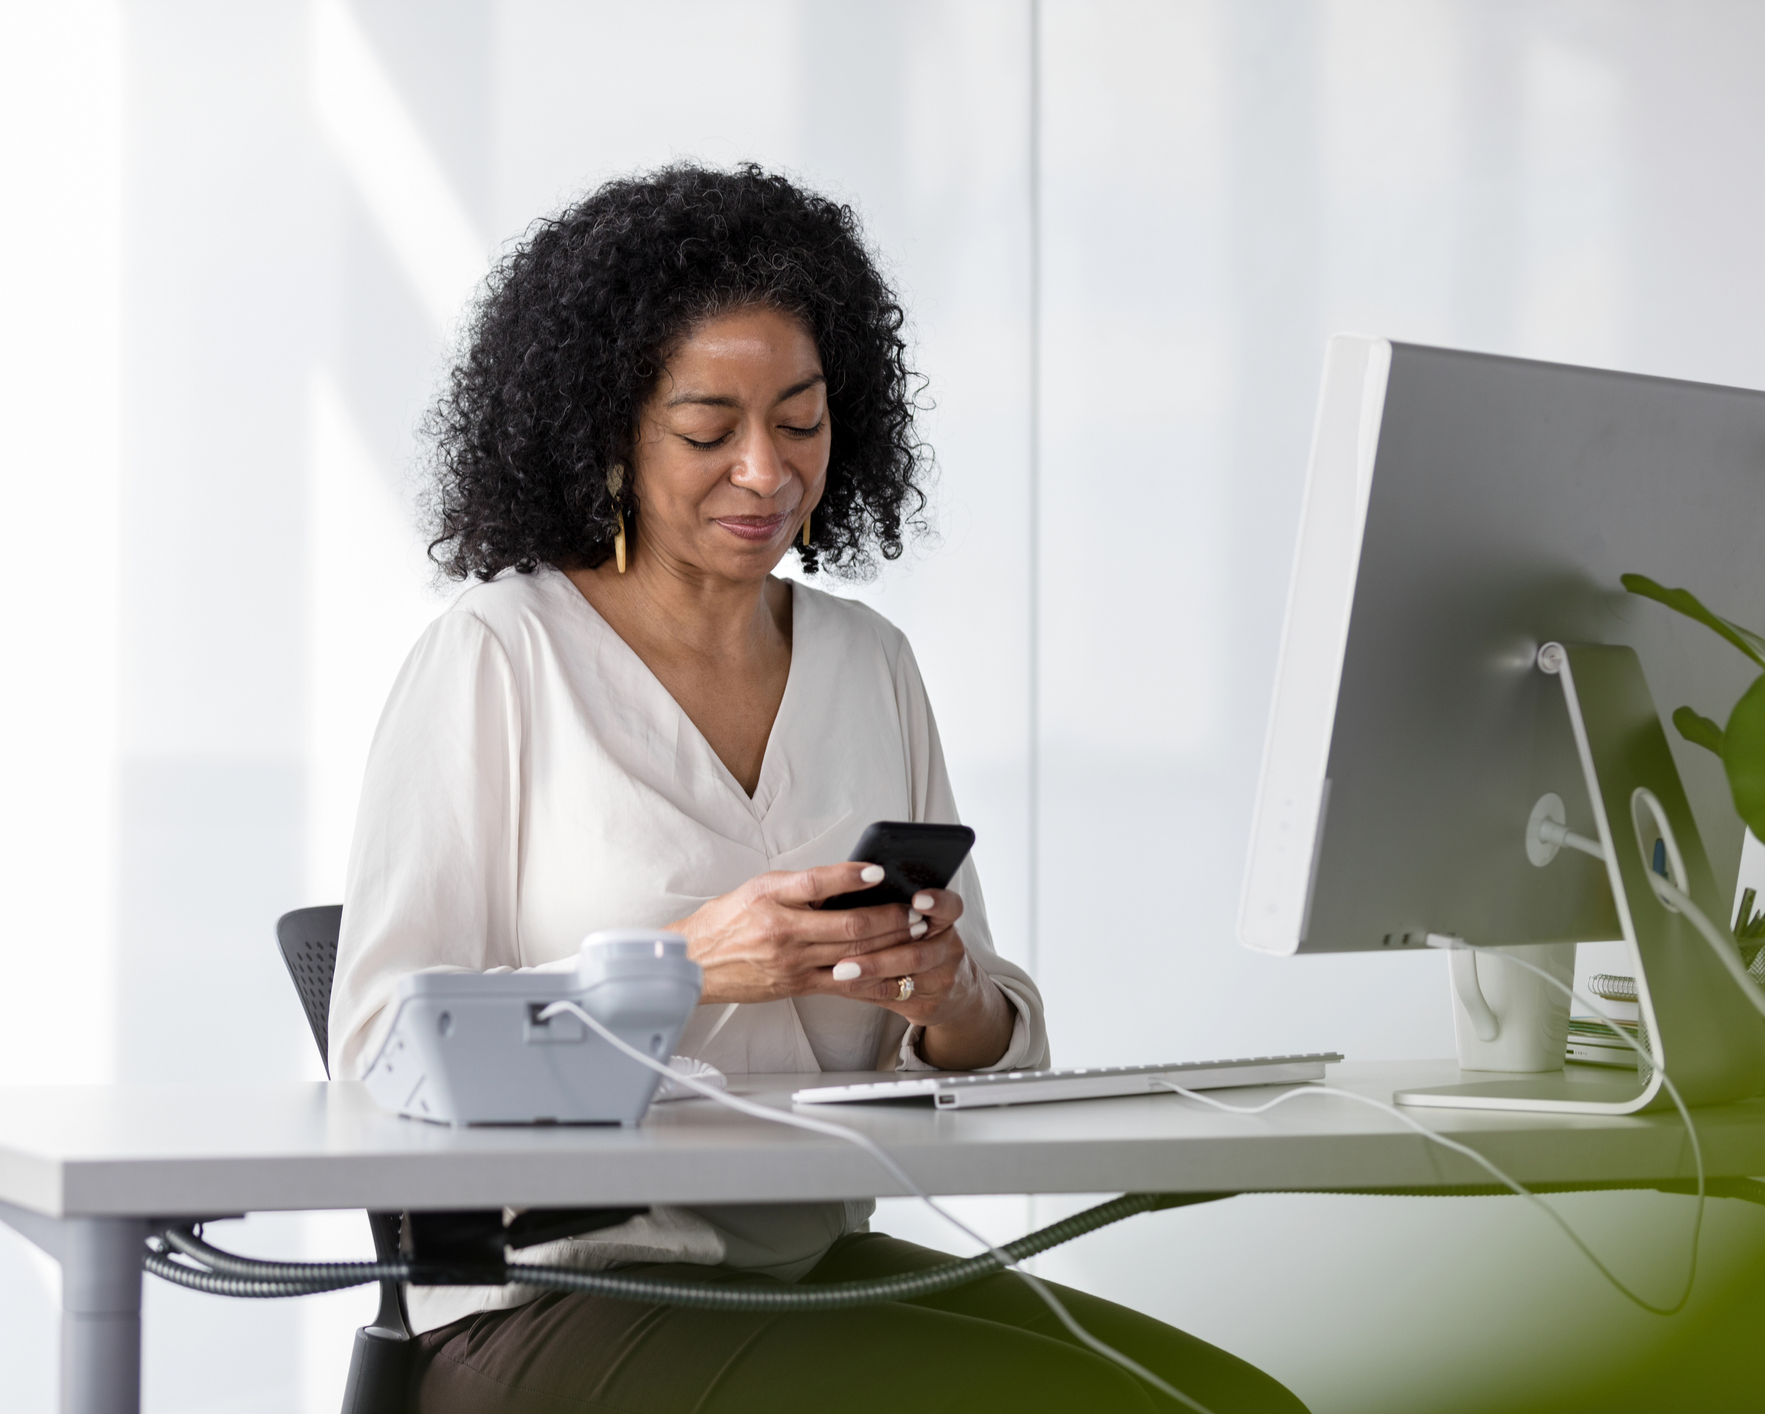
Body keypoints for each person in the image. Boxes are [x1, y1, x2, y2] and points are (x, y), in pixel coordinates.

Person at [327, 164, 1305, 1414]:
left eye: (799, 419)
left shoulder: (866, 662)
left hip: (809, 1264)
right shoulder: (501, 658)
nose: (764, 470)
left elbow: (997, 1053)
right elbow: (382, 1059)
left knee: (1244, 1403)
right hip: (551, 1297)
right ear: (607, 429)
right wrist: (685, 966)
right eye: (706, 429)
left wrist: (948, 998)